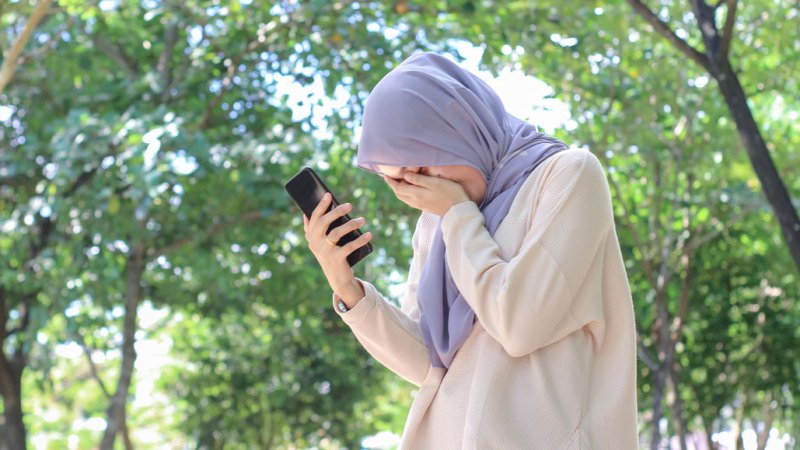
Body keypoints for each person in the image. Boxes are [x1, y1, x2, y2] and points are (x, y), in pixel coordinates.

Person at [302, 52, 638, 449]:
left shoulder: (568, 175)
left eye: (423, 170)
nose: (417, 190)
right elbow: (429, 364)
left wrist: (459, 214)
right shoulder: (436, 221)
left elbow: (520, 325)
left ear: (458, 131)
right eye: (398, 180)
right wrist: (347, 288)